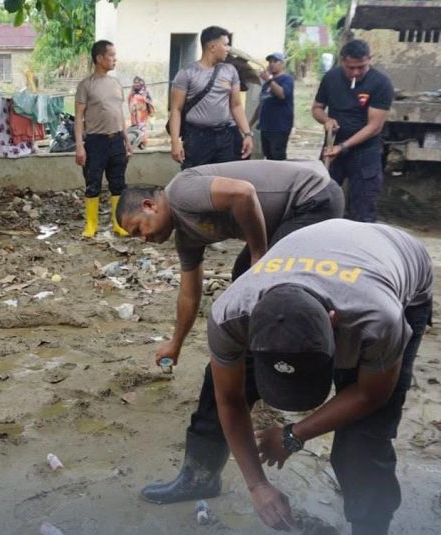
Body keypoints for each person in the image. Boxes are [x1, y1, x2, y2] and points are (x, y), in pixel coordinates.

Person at [115, 159, 344, 501]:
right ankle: (210, 454)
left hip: (312, 202)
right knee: (245, 290)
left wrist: (259, 256)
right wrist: (175, 344)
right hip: (291, 214)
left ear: (150, 205)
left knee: (256, 316)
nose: (144, 238)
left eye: (139, 229)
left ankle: (268, 371)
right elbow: (190, 292)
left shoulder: (180, 191)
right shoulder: (186, 237)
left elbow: (243, 193)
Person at [208, 219, 432, 535]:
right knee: (229, 384)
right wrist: (257, 484)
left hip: (399, 262)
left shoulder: (378, 318)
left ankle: (371, 526)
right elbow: (229, 399)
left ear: (332, 322)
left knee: (362, 440)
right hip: (327, 258)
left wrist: (293, 435)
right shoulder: (229, 314)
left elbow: (371, 395)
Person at [312, 39, 393, 222]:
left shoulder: (381, 83)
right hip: (332, 150)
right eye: (350, 67)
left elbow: (374, 127)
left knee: (363, 209)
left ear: (369, 59)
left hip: (365, 152)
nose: (355, 72)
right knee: (321, 202)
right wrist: (326, 119)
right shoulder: (331, 78)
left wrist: (343, 147)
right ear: (342, 61)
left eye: (361, 67)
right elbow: (317, 108)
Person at [169, 26, 253, 169]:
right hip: (197, 138)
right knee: (196, 179)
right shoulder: (187, 73)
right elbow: (176, 109)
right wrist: (175, 142)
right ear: (213, 47)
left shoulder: (230, 71)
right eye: (225, 45)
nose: (228, 49)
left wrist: (247, 134)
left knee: (229, 180)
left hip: (226, 136)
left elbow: (236, 105)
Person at [75, 40, 133, 238]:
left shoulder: (116, 84)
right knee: (93, 184)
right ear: (99, 58)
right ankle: (91, 226)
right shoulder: (86, 85)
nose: (115, 59)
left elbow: (119, 114)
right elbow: (79, 118)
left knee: (118, 184)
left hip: (116, 140)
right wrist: (80, 146)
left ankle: (118, 224)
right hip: (95, 142)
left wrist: (126, 140)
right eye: (111, 55)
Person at [250, 52, 294, 160]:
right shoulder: (266, 84)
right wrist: (249, 124)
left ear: (282, 64)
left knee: (277, 157)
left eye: (275, 61)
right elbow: (261, 104)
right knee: (268, 157)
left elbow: (282, 94)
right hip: (266, 127)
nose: (271, 64)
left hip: (279, 127)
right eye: (270, 62)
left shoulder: (287, 79)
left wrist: (269, 80)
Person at [128, 76, 154, 147]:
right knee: (135, 127)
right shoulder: (132, 92)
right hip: (134, 114)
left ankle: (143, 143)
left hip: (142, 114)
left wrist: (142, 101)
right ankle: (136, 142)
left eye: (138, 82)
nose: (136, 84)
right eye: (135, 82)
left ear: (141, 82)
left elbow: (149, 101)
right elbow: (129, 100)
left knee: (142, 128)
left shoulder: (145, 91)